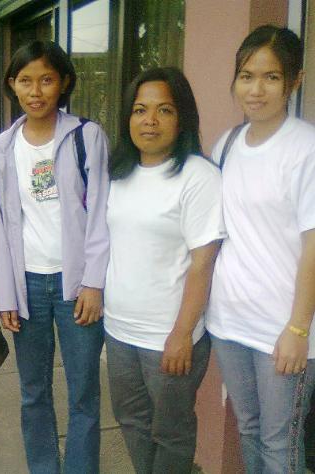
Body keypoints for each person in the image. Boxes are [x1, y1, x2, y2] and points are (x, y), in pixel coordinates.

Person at [0, 40, 109, 474]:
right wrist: (6, 294)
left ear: (63, 83)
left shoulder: (85, 136)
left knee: (83, 392)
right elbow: (1, 225)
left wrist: (93, 282)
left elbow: (101, 213)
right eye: (25, 81)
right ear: (12, 86)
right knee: (33, 392)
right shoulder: (3, 148)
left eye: (46, 80)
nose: (35, 91)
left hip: (74, 285)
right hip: (28, 284)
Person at [104, 67, 225, 473]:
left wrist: (182, 333)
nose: (150, 121)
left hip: (168, 335)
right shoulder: (118, 173)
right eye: (140, 110)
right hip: (119, 331)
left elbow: (203, 262)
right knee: (132, 421)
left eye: (164, 110)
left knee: (171, 433)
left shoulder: (198, 176)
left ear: (182, 118)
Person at [206, 24, 315, 473]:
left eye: (271, 77)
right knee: (249, 430)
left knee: (279, 447)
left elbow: (313, 247)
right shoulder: (227, 145)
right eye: (247, 76)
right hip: (229, 322)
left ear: (295, 81)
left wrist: (298, 330)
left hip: (282, 330)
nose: (256, 89)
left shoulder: (306, 148)